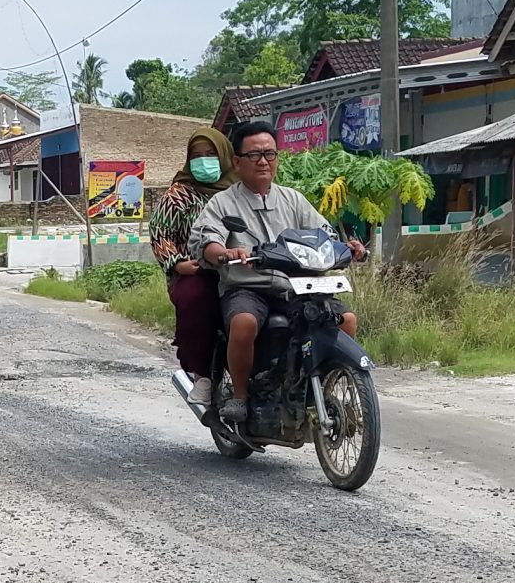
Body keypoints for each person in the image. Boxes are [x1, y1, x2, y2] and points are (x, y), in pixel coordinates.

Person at [188, 120, 366, 427]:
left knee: (346, 320)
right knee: (243, 323)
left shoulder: (293, 199)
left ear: (277, 158)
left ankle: (322, 388)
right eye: (254, 154)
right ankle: (240, 396)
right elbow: (205, 240)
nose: (263, 161)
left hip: (297, 286)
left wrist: (346, 248)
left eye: (269, 154)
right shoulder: (223, 202)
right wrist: (225, 252)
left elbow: (322, 233)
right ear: (237, 161)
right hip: (248, 288)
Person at [146, 126, 234, 403]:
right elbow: (160, 233)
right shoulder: (180, 194)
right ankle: (202, 375)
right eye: (197, 156)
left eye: (211, 154)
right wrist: (176, 263)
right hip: (195, 270)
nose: (204, 161)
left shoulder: (240, 191)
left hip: (242, 268)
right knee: (197, 298)